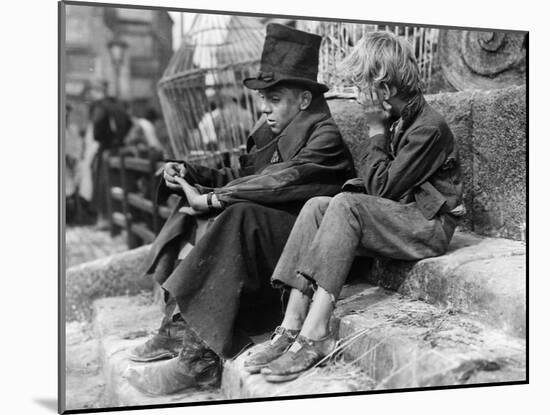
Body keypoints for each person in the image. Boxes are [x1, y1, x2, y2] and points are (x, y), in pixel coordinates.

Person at [123, 23, 355, 395]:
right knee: (192, 205)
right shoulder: (271, 132)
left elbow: (283, 180)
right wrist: (192, 173)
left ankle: (199, 361)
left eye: (274, 99)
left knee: (237, 213)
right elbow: (242, 174)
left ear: (304, 100)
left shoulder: (323, 135)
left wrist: (216, 198)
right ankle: (180, 326)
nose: (265, 109)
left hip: (302, 249)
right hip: (268, 239)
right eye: (264, 99)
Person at [243, 30, 465, 382]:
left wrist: (375, 131)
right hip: (404, 214)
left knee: (346, 205)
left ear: (385, 90)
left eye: (362, 86)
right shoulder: (400, 119)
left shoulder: (429, 128)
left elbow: (383, 189)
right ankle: (290, 325)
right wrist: (380, 130)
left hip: (428, 227)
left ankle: (317, 335)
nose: (359, 97)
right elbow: (384, 189)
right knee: (318, 205)